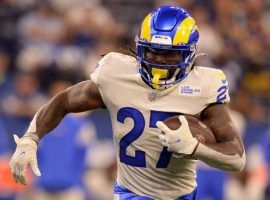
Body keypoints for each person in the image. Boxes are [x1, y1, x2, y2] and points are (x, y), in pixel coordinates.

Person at [9, 5, 246, 200]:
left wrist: (195, 148)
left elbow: (237, 158)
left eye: (169, 54)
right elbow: (64, 101)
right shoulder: (116, 74)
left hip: (183, 195)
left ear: (189, 55)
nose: (158, 62)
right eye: (152, 52)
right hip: (132, 194)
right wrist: (31, 137)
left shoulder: (204, 85)